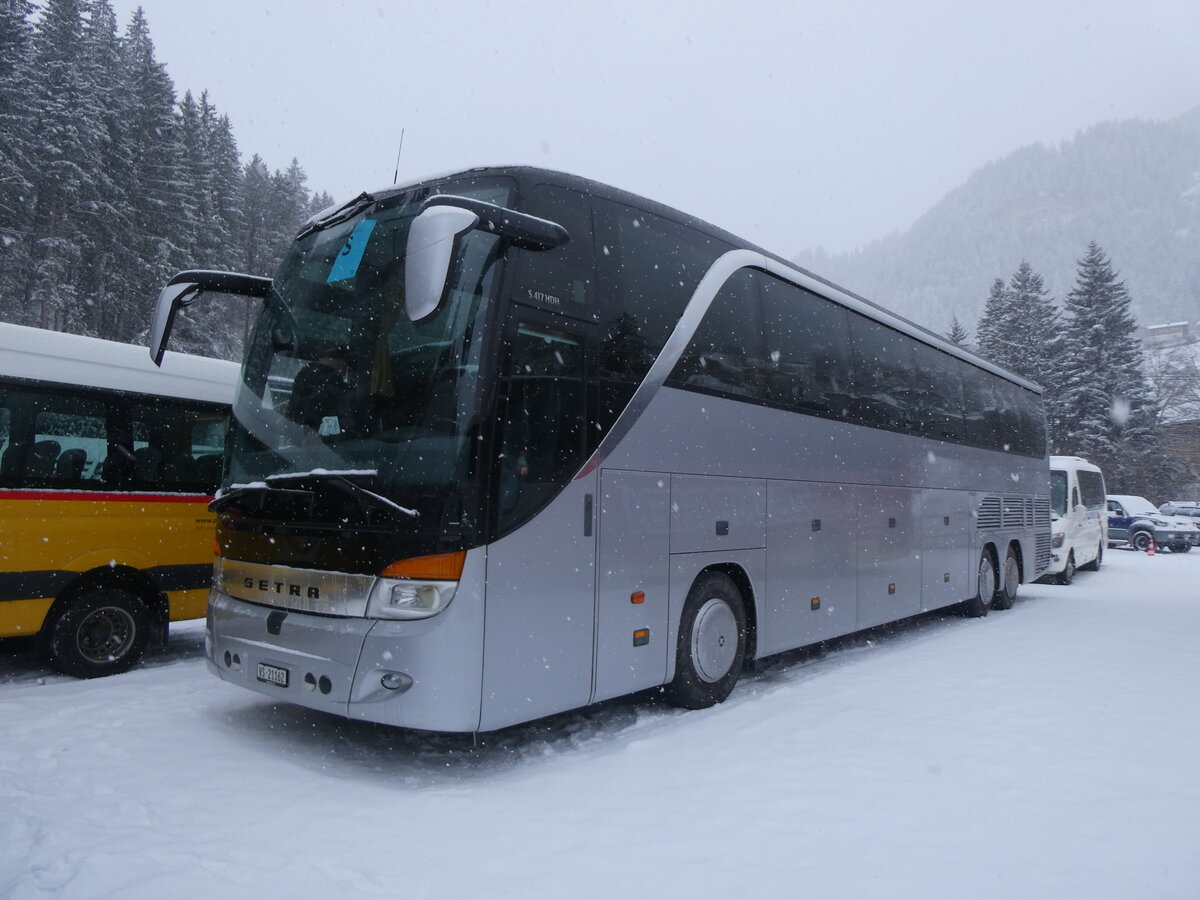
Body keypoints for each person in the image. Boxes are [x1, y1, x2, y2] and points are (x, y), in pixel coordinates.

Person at [288, 345, 349, 432]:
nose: (345, 366)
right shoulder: (332, 381)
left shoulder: (308, 372)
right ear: (338, 361)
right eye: (344, 361)